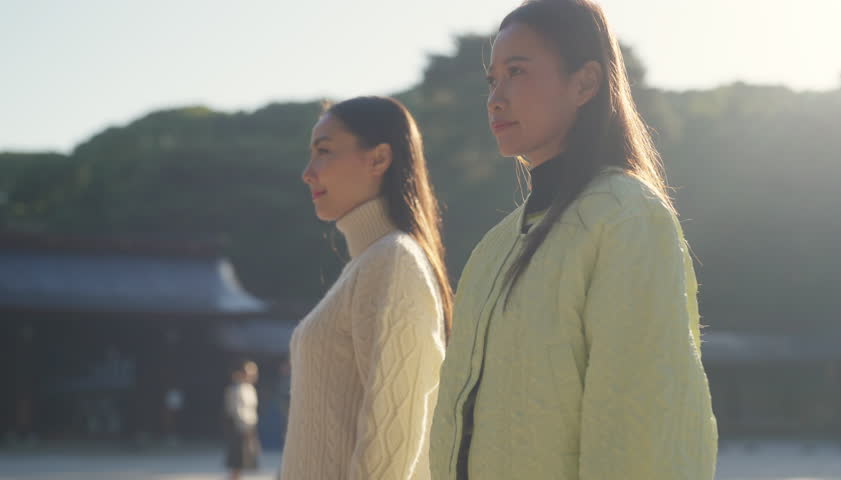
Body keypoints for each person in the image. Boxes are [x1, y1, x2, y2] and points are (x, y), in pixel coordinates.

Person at [429, 1, 718, 479]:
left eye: (516, 72)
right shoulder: (496, 245)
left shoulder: (627, 218)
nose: (495, 97)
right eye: (492, 80)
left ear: (584, 82)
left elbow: (640, 424)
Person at [280, 96, 452, 479]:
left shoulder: (393, 261)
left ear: (378, 159)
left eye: (324, 151)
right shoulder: (369, 265)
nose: (308, 173)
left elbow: (393, 441)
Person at [224, 360, 260, 480]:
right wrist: (245, 427)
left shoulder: (249, 388)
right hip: (239, 428)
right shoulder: (235, 389)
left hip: (249, 427)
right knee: (237, 462)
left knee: (244, 461)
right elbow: (236, 410)